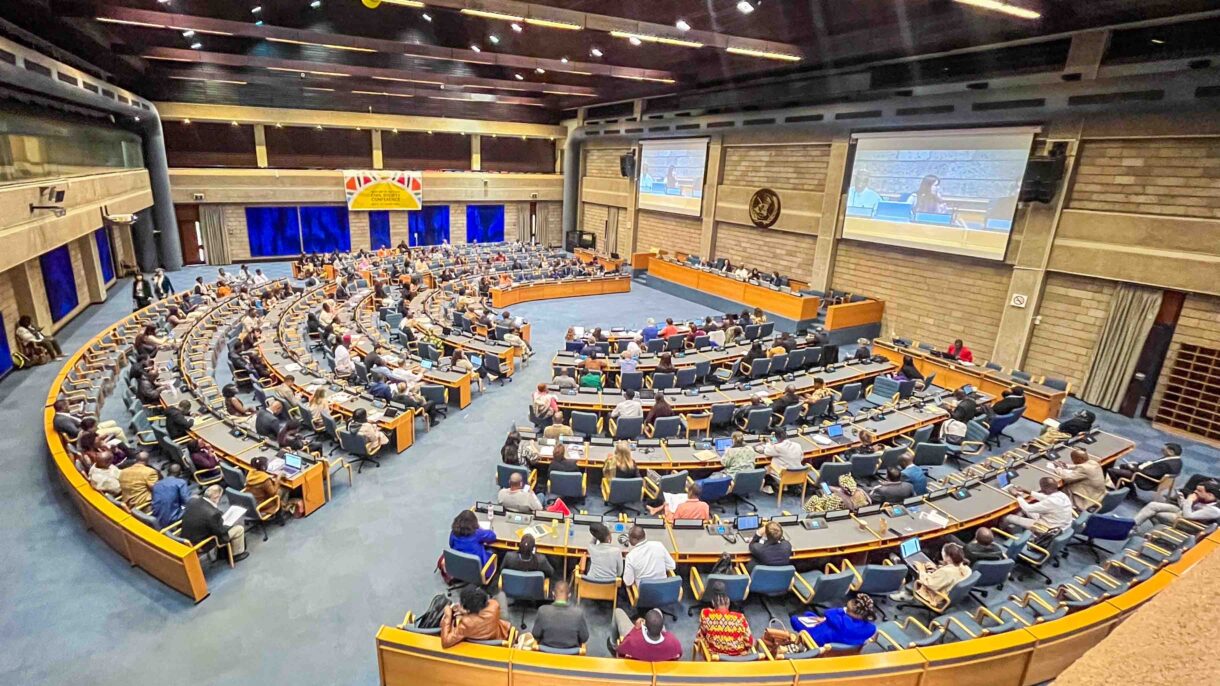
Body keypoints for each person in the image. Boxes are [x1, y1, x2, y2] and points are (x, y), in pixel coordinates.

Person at [181, 484, 249, 562]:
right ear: (216, 497)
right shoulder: (213, 514)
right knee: (239, 529)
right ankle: (237, 554)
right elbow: (221, 532)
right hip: (201, 544)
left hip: (186, 540)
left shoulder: (193, 501)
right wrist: (229, 524)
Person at [890, 542, 971, 602]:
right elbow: (948, 577)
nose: (942, 554)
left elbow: (930, 584)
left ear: (948, 558)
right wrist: (936, 569)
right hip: (947, 590)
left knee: (914, 570)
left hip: (936, 596)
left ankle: (906, 594)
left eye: (943, 553)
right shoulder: (965, 568)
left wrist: (922, 570)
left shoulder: (946, 572)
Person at [440, 586, 510, 649]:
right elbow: (481, 613)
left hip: (479, 645)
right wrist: (465, 611)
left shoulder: (466, 623)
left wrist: (447, 615)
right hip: (497, 635)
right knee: (501, 595)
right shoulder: (494, 605)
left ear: (469, 608)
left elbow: (446, 642)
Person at [696, 583, 754, 657]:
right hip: (738, 659)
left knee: (702, 630)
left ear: (713, 602)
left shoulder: (706, 614)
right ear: (728, 601)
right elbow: (749, 644)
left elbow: (702, 633)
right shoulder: (740, 618)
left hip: (715, 657)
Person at [531, 581, 589, 650]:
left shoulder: (542, 610)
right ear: (569, 595)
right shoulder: (579, 613)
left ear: (553, 593)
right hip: (571, 656)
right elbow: (584, 638)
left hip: (546, 654)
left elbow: (536, 635)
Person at [804, 594, 878, 648]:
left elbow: (829, 613)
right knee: (809, 614)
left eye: (848, 609)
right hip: (846, 650)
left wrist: (843, 610)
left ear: (856, 614)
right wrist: (825, 620)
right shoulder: (871, 628)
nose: (846, 609)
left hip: (818, 641)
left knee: (795, 619)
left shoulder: (840, 621)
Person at [1134, 482, 1220, 528]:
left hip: (1190, 524)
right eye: (1196, 489)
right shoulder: (1202, 498)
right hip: (1184, 513)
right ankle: (1132, 525)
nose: (1195, 492)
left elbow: (1188, 516)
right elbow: (1185, 508)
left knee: (1157, 514)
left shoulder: (1214, 510)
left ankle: (1161, 531)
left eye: (1199, 491)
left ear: (1210, 495)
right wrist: (1181, 499)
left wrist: (1189, 500)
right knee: (1153, 505)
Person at [1003, 477, 1074, 532]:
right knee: (1022, 509)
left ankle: (1002, 533)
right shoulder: (1062, 495)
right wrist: (1029, 492)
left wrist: (1017, 495)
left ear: (1044, 489)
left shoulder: (1050, 502)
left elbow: (1027, 508)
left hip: (1048, 528)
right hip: (1060, 523)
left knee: (1007, 517)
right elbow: (1045, 497)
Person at [1108, 443, 1183, 493]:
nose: (1162, 451)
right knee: (1124, 466)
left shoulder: (1167, 464)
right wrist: (1137, 464)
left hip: (1146, 480)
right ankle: (1129, 490)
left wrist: (1133, 468)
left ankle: (1124, 491)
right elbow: (1153, 464)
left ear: (1171, 452)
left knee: (1112, 471)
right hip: (1147, 473)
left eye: (1164, 450)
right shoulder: (1176, 460)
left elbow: (1149, 474)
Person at [614, 608, 682, 662]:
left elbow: (620, 652)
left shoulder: (632, 642)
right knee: (657, 610)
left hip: (637, 669)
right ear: (662, 628)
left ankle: (611, 643)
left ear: (645, 627)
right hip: (661, 671)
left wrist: (636, 629)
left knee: (618, 611)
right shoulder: (674, 642)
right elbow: (679, 654)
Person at [758, 428, 805, 494]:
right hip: (797, 475)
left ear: (775, 438)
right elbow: (801, 458)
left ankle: (769, 487)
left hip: (784, 477)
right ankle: (785, 487)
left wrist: (770, 441)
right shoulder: (797, 445)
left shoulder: (778, 447)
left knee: (766, 468)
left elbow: (766, 452)